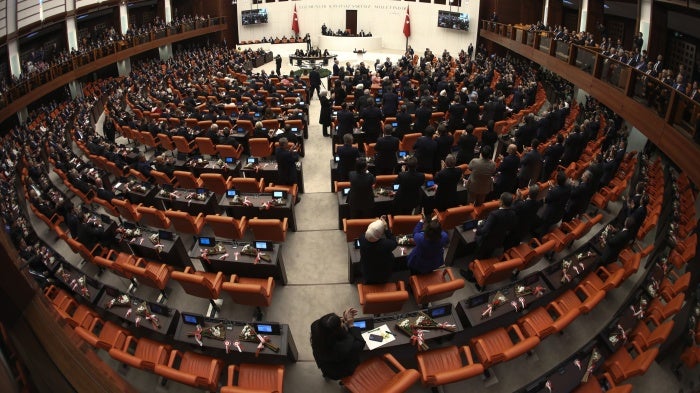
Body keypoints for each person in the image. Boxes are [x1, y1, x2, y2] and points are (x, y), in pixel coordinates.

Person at [310, 308, 364, 380]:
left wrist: (343, 319)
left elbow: (329, 326)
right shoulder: (346, 347)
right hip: (341, 371)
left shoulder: (316, 327)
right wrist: (351, 325)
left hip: (324, 365)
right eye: (341, 322)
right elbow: (360, 343)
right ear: (338, 332)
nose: (342, 321)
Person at [475, 192, 518, 260]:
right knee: (488, 255)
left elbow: (484, 230)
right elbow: (511, 227)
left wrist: (477, 228)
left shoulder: (494, 214)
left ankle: (470, 270)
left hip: (486, 241)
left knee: (478, 256)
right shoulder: (513, 213)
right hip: (499, 240)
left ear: (501, 202)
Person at [359, 216, 398, 284]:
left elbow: (371, 232)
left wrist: (378, 223)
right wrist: (386, 228)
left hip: (367, 274)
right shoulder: (386, 244)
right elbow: (394, 242)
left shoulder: (361, 239)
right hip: (384, 275)